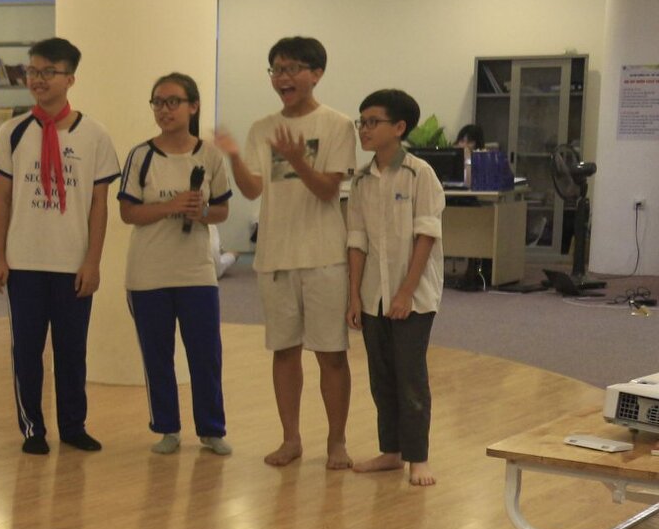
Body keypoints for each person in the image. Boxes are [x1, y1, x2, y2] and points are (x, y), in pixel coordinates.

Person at [217, 36, 359, 470]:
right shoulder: (262, 128)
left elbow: (328, 190)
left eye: (293, 68)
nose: (283, 78)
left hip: (324, 256)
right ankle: (291, 439)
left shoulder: (338, 125)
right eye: (277, 70)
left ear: (316, 74)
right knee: (284, 351)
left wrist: (298, 160)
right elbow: (252, 190)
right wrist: (235, 158)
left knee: (331, 353)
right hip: (275, 256)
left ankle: (336, 442)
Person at [0, 37, 118, 455]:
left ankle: (73, 426)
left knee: (72, 351)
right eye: (33, 71)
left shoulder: (94, 135)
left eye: (48, 72)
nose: (37, 80)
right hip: (23, 263)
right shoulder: (12, 132)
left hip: (72, 264)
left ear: (70, 78)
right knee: (27, 350)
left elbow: (99, 206)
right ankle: (33, 428)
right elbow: (2, 200)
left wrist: (93, 262)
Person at [118, 74, 233, 455]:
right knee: (157, 356)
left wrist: (201, 212)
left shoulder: (210, 156)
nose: (164, 110)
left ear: (193, 106)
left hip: (197, 272)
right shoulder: (141, 155)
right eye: (158, 102)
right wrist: (171, 206)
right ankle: (167, 427)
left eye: (173, 102)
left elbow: (222, 210)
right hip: (148, 274)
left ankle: (212, 429)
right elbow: (128, 212)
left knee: (205, 354)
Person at [347, 89, 445, 487]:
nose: (364, 130)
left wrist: (405, 292)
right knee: (381, 376)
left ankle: (418, 457)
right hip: (373, 295)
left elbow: (426, 236)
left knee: (410, 376)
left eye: (373, 122)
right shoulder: (360, 180)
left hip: (414, 297)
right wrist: (354, 295)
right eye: (362, 122)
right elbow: (357, 241)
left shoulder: (420, 174)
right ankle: (391, 452)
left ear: (399, 127)